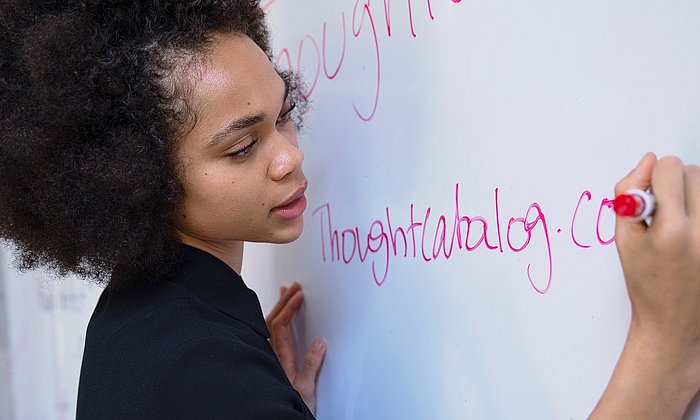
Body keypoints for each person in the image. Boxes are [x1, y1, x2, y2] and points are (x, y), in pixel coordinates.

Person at [0, 1, 698, 419]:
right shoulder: (195, 365)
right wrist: (663, 353)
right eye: (242, 147)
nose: (290, 157)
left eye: (285, 114)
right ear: (134, 180)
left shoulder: (148, 318)